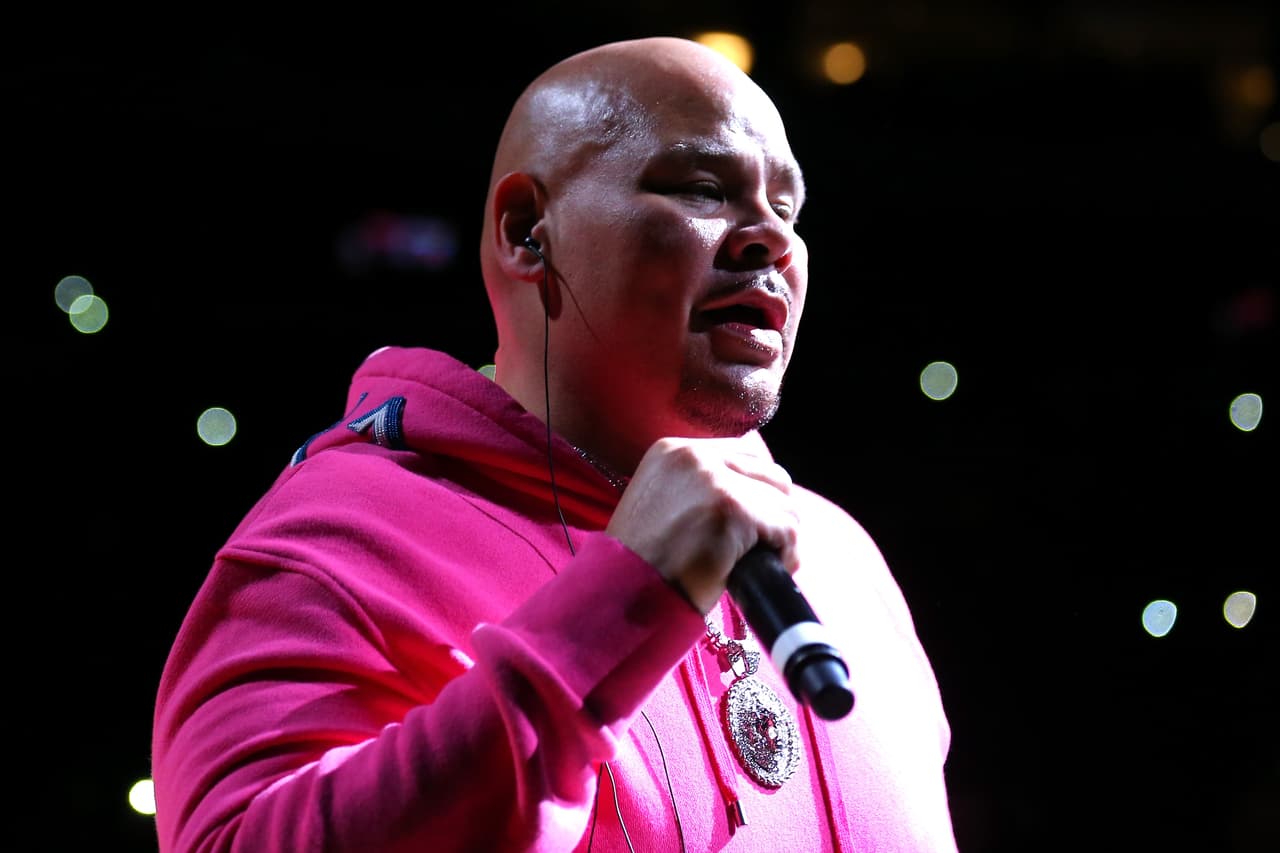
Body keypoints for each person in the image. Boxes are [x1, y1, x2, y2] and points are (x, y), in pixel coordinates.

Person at [151, 35, 959, 852]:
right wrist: (617, 608)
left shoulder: (844, 560)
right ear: (527, 230)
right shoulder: (338, 542)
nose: (770, 239)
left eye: (787, 210)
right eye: (703, 188)